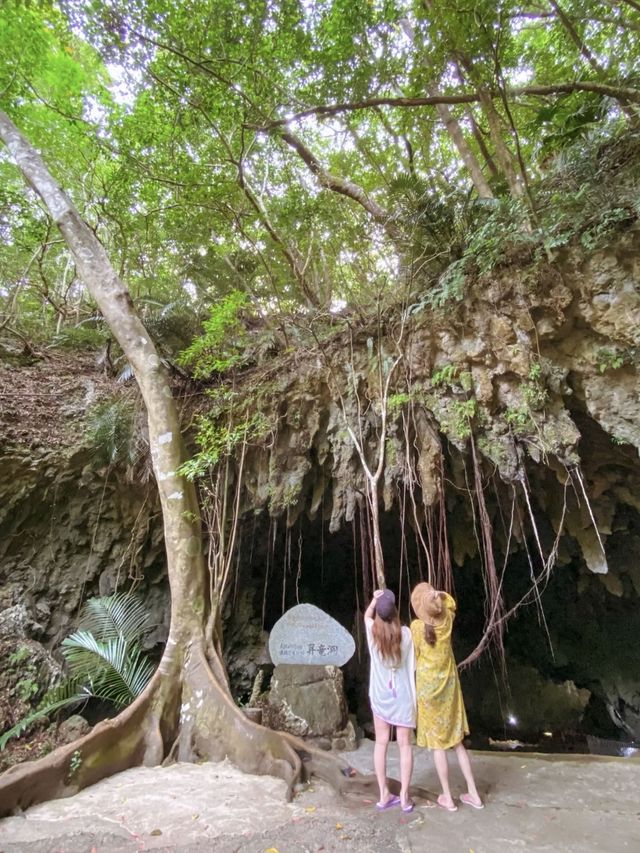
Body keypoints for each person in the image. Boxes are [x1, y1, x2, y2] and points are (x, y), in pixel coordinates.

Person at [410, 582, 484, 811]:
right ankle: (473, 793)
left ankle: (447, 797)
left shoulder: (416, 628)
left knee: (437, 746)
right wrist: (438, 595)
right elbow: (451, 604)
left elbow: (414, 655)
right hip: (449, 688)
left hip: (428, 691)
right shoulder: (447, 621)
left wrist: (430, 598)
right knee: (457, 743)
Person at [364, 588, 416, 813]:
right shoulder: (406, 633)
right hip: (403, 696)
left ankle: (384, 794)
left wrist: (374, 601)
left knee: (381, 743)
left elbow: (366, 616)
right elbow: (412, 665)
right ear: (395, 611)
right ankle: (404, 796)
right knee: (405, 745)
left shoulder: (372, 631)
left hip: (381, 695)